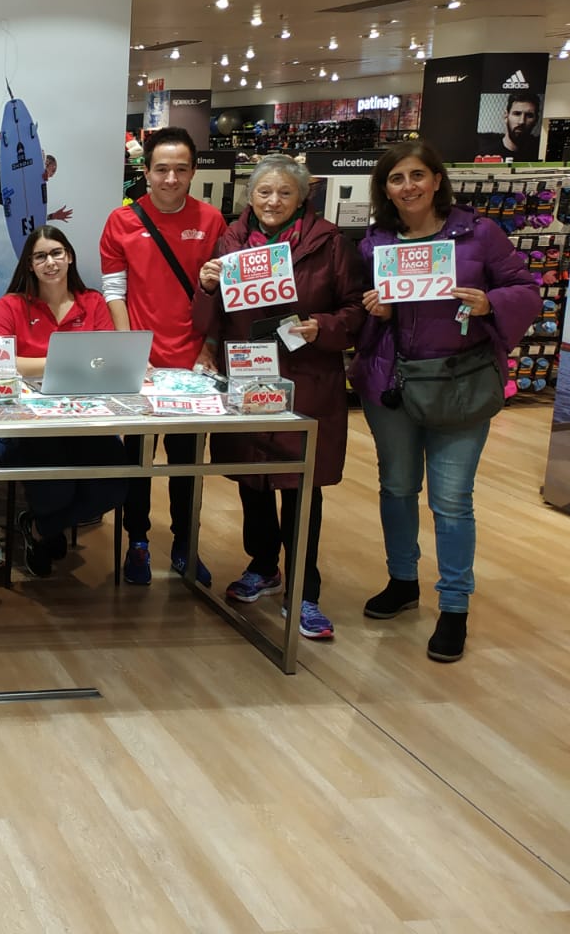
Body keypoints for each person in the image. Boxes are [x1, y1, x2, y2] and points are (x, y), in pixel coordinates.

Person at [349, 141, 536, 663]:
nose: (407, 187)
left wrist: (490, 302)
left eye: (416, 176)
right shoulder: (374, 244)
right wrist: (376, 313)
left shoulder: (479, 234)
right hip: (392, 383)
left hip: (460, 381)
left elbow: (526, 287)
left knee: (452, 501)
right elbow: (354, 310)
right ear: (384, 189)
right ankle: (402, 580)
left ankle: (454, 606)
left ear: (436, 180)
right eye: (395, 179)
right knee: (396, 487)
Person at [194, 155, 365, 641]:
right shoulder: (230, 239)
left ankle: (305, 590)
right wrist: (207, 287)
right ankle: (263, 564)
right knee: (254, 476)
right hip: (247, 375)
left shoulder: (329, 242)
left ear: (302, 196)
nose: (273, 202)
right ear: (251, 195)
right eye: (264, 192)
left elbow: (357, 309)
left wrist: (322, 327)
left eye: (284, 193)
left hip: (307, 377)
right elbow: (210, 319)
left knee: (300, 482)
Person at [99, 125, 226, 586]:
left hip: (193, 363)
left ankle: (184, 544)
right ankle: (137, 543)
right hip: (142, 363)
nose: (170, 179)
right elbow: (115, 289)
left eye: (180, 169)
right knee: (137, 460)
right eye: (161, 169)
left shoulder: (213, 221)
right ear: (146, 171)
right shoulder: (122, 221)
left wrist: (209, 348)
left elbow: (221, 293)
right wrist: (130, 348)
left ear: (193, 171)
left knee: (188, 462)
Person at [0, 225, 127, 576]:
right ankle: (47, 524)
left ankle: (37, 528)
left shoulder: (92, 302)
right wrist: (58, 362)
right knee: (56, 492)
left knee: (116, 485)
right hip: (31, 425)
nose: (50, 262)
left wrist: (43, 363)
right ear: (29, 265)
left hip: (86, 421)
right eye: (40, 256)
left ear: (70, 257)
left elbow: (106, 358)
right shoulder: (12, 305)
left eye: (56, 253)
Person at [475, 92, 541, 159]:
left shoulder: (540, 152)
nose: (522, 121)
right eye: (517, 114)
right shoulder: (487, 155)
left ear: (536, 119)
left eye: (529, 115)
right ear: (506, 116)